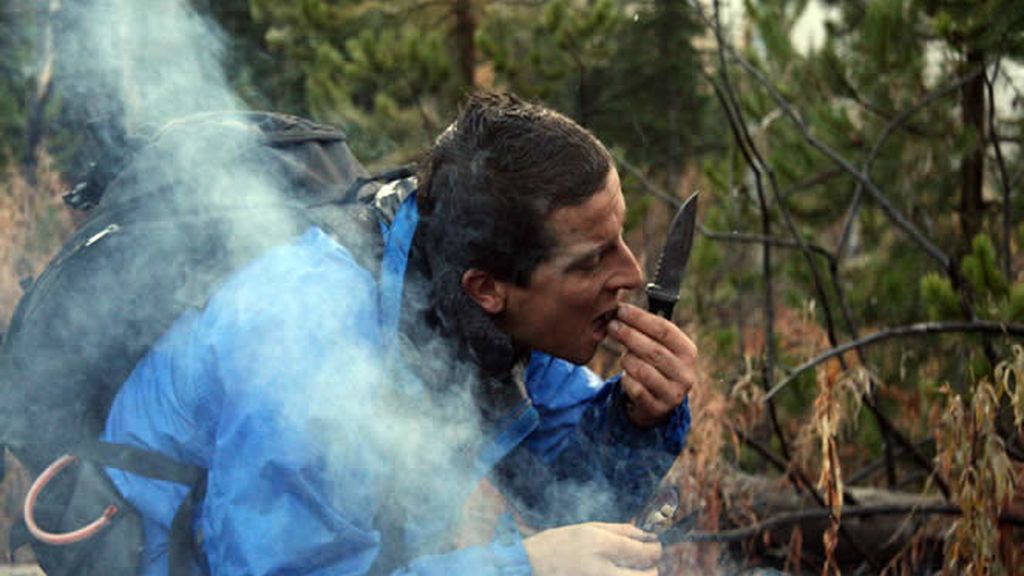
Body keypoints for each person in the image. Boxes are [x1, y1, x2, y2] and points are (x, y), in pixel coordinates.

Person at [101, 92, 699, 575]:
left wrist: (635, 420)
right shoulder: (311, 349)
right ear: (486, 288)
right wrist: (525, 569)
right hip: (160, 554)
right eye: (590, 261)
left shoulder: (480, 304)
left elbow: (561, 492)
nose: (632, 274)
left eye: (619, 238)